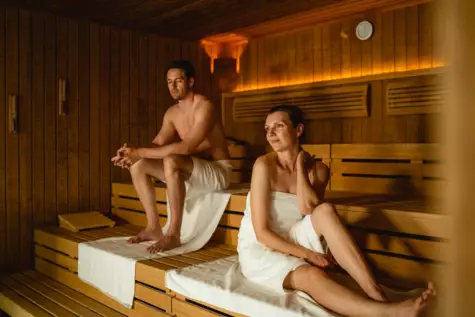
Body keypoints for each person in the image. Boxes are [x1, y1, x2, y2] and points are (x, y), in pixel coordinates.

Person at [237, 105, 436, 317]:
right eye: (267, 128)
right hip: (262, 248)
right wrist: (309, 255)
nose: (270, 133)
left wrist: (300, 166)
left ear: (298, 130)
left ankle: (374, 291)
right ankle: (388, 313)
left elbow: (308, 208)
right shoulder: (263, 166)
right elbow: (262, 233)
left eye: (279, 126)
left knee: (325, 210)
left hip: (293, 236)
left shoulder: (319, 170)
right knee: (313, 274)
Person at [111, 60, 232, 253]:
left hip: (218, 171)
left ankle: (174, 235)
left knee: (171, 159)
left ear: (190, 81)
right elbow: (157, 144)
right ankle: (153, 227)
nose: (173, 86)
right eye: (169, 82)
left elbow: (186, 147)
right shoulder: (172, 113)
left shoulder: (204, 107)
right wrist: (131, 154)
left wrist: (140, 152)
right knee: (139, 165)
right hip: (191, 171)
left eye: (178, 80)